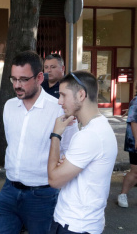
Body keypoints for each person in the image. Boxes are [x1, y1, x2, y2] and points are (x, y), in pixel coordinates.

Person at [0, 51, 78, 234]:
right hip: (9, 190)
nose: (17, 85)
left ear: (40, 77)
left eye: (23, 79)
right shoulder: (9, 107)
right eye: (13, 79)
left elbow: (71, 153)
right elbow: (12, 143)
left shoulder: (58, 110)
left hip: (43, 196)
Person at [47, 71, 117, 233]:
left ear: (81, 95)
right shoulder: (98, 129)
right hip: (81, 223)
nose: (59, 101)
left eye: (63, 95)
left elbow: (54, 180)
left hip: (75, 225)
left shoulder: (89, 136)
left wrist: (56, 135)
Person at [118, 85, 137, 208]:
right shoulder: (135, 101)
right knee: (135, 171)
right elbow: (133, 121)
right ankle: (123, 195)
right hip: (134, 140)